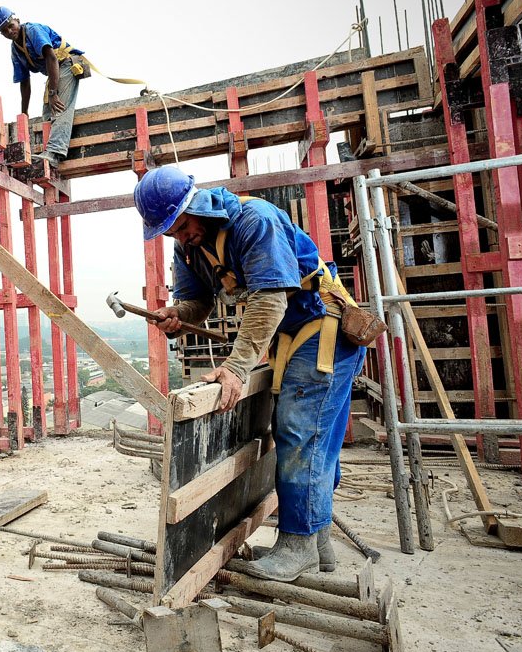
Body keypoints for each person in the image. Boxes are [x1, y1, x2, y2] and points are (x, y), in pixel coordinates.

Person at [132, 166, 367, 582]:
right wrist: (176, 314)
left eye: (182, 225)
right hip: (292, 336)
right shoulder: (190, 249)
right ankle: (318, 544)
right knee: (310, 437)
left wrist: (236, 368)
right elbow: (197, 303)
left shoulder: (254, 221)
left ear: (197, 206)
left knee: (298, 431)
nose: (180, 236)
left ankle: (298, 545)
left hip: (323, 329)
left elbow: (270, 301)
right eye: (170, 231)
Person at [0, 6, 85, 165]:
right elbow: (24, 82)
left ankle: (55, 152)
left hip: (66, 64)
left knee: (60, 107)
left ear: (17, 21)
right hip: (54, 72)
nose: (9, 31)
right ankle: (47, 151)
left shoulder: (33, 31)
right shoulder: (15, 50)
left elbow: (51, 58)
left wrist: (53, 93)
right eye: (4, 31)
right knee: (47, 113)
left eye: (10, 26)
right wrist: (24, 114)